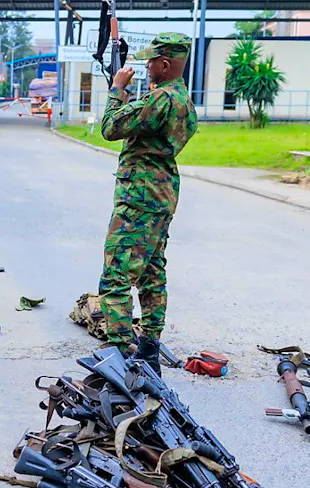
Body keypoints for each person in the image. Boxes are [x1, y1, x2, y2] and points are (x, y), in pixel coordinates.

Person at [97, 32, 198, 372]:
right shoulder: (183, 100)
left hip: (139, 198)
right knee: (152, 273)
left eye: (151, 60)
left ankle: (121, 354)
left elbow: (110, 127)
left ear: (166, 64)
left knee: (116, 277)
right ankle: (149, 347)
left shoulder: (160, 102)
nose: (146, 65)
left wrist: (116, 88)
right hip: (162, 194)